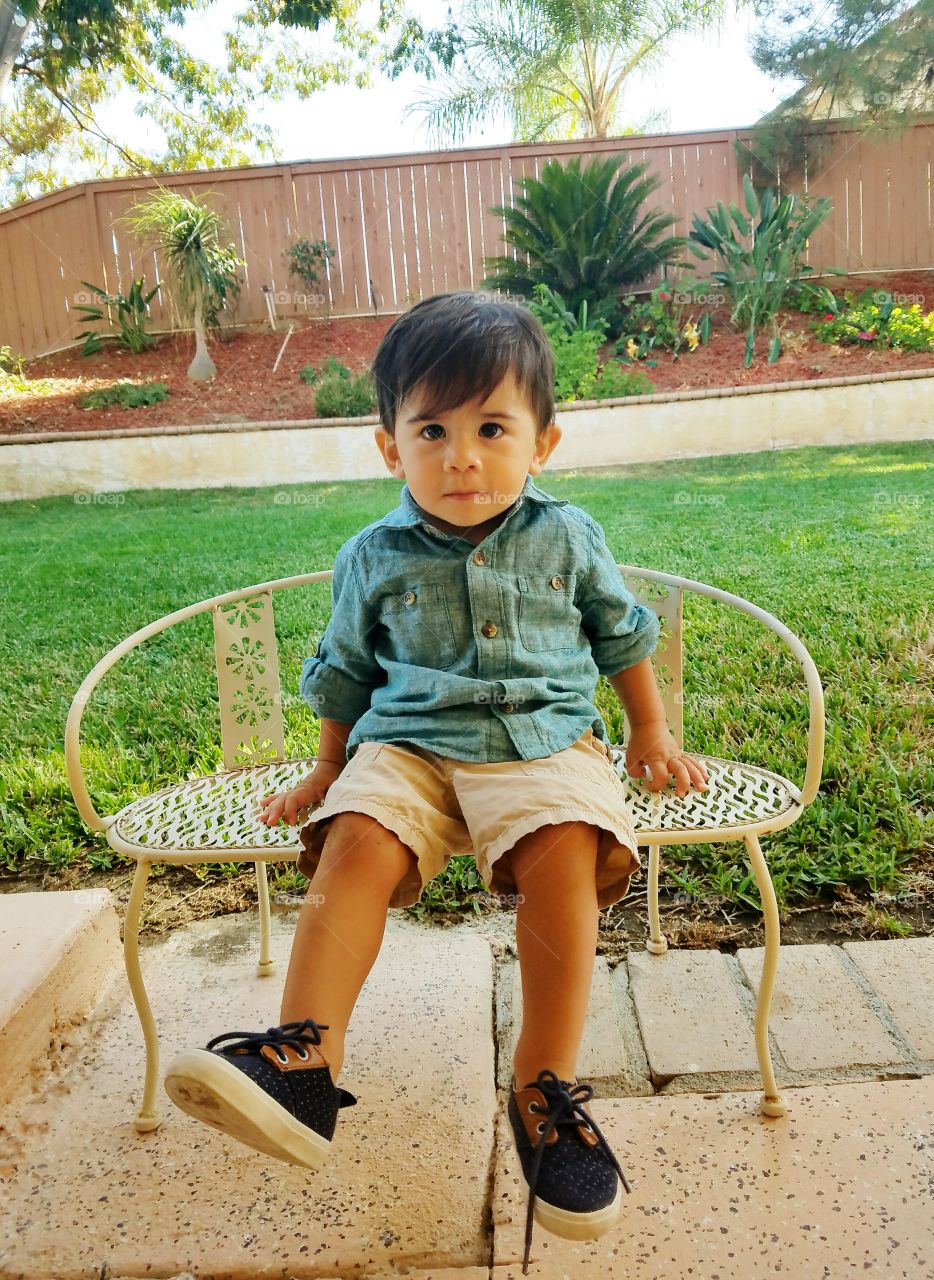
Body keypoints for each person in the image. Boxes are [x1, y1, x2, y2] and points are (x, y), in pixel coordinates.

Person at [164, 290, 709, 1273]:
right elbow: (344, 673)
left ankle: (543, 1090)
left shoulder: (569, 536)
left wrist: (650, 730)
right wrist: (328, 770)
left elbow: (624, 636)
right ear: (389, 447)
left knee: (567, 850)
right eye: (434, 429)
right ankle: (303, 1059)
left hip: (543, 737)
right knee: (358, 835)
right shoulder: (370, 556)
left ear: (543, 439)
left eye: (492, 427)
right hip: (408, 741)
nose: (463, 455)